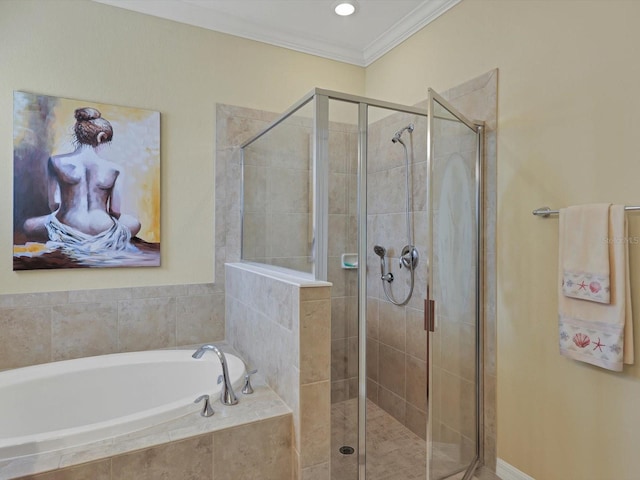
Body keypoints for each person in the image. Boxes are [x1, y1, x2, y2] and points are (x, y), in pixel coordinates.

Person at [23, 107, 141, 256]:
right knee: (134, 223)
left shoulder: (55, 161)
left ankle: (72, 239)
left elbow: (53, 204)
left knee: (29, 225)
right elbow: (115, 211)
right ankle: (97, 242)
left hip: (66, 228)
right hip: (104, 231)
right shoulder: (115, 169)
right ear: (101, 137)